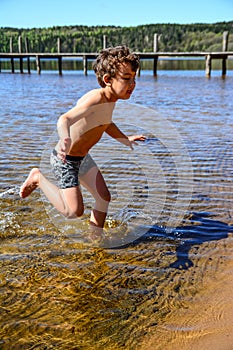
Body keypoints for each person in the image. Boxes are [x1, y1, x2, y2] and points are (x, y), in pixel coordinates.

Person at [20, 45, 145, 238]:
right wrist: (64, 138)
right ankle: (37, 178)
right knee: (74, 211)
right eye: (127, 78)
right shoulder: (96, 98)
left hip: (83, 158)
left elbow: (107, 124)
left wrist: (125, 139)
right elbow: (64, 119)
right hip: (65, 159)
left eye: (134, 78)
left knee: (104, 197)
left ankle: (95, 237)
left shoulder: (111, 101)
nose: (133, 84)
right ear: (108, 80)